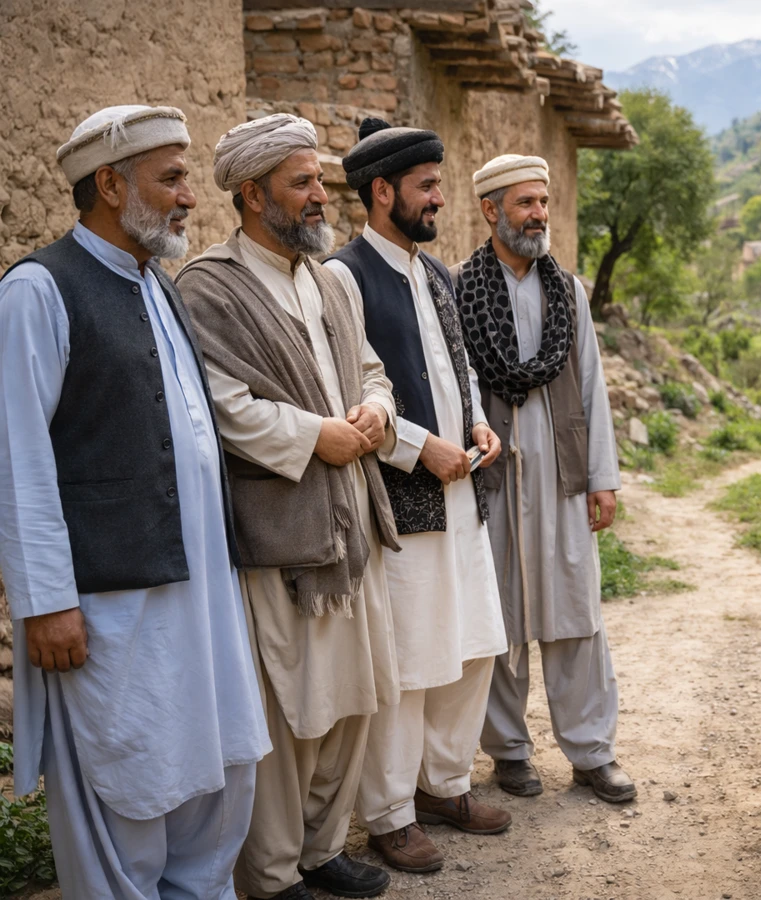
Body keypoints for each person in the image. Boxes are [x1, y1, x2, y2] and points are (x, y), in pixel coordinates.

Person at [0, 105, 269, 898]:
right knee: (125, 794)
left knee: (213, 776)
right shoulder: (38, 291)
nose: (190, 196)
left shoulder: (161, 286)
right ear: (112, 185)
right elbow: (17, 459)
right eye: (173, 177)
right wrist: (45, 601)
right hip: (112, 610)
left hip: (201, 604)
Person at [177, 113, 400, 900]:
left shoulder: (331, 278)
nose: (318, 196)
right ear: (250, 193)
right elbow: (223, 405)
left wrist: (375, 412)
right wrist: (315, 437)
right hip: (282, 533)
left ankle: (321, 849)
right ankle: (271, 874)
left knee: (353, 703)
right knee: (287, 714)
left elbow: (371, 369)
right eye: (301, 182)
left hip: (351, 522)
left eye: (318, 180)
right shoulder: (209, 287)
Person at [324, 117, 511, 874]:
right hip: (401, 504)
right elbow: (345, 391)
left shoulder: (436, 273)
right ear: (382, 191)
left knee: (471, 648)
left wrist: (476, 423)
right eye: (427, 186)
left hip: (462, 490)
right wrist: (416, 447)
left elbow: (458, 365)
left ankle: (444, 785)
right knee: (407, 664)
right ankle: (392, 813)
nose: (439, 199)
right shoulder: (343, 276)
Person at [452, 154, 631, 803]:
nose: (538, 215)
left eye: (543, 202)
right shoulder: (460, 290)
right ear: (490, 210)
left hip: (561, 477)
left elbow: (591, 384)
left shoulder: (569, 291)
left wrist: (602, 478)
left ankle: (591, 751)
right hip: (494, 478)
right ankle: (507, 752)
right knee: (499, 619)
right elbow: (458, 382)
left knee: (575, 613)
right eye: (525, 203)